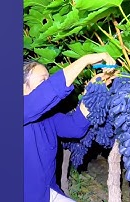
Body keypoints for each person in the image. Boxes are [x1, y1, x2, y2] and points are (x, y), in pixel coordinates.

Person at [23, 53, 117, 202]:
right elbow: (48, 92)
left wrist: (91, 91)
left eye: (49, 78)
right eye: (43, 81)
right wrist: (85, 59)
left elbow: (75, 127)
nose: (48, 83)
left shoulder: (48, 117)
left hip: (47, 192)